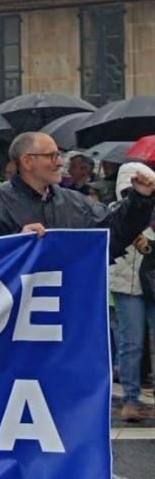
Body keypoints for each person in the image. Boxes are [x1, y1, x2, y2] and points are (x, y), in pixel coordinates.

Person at [0, 131, 155, 257]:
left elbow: (113, 234)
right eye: (52, 156)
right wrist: (18, 241)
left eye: (59, 155)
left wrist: (140, 198)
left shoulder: (75, 202)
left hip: (68, 307)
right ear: (26, 161)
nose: (60, 163)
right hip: (19, 310)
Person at [111, 161, 155, 422]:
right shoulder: (115, 213)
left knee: (134, 343)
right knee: (131, 343)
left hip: (150, 283)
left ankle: (133, 399)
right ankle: (130, 399)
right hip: (125, 286)